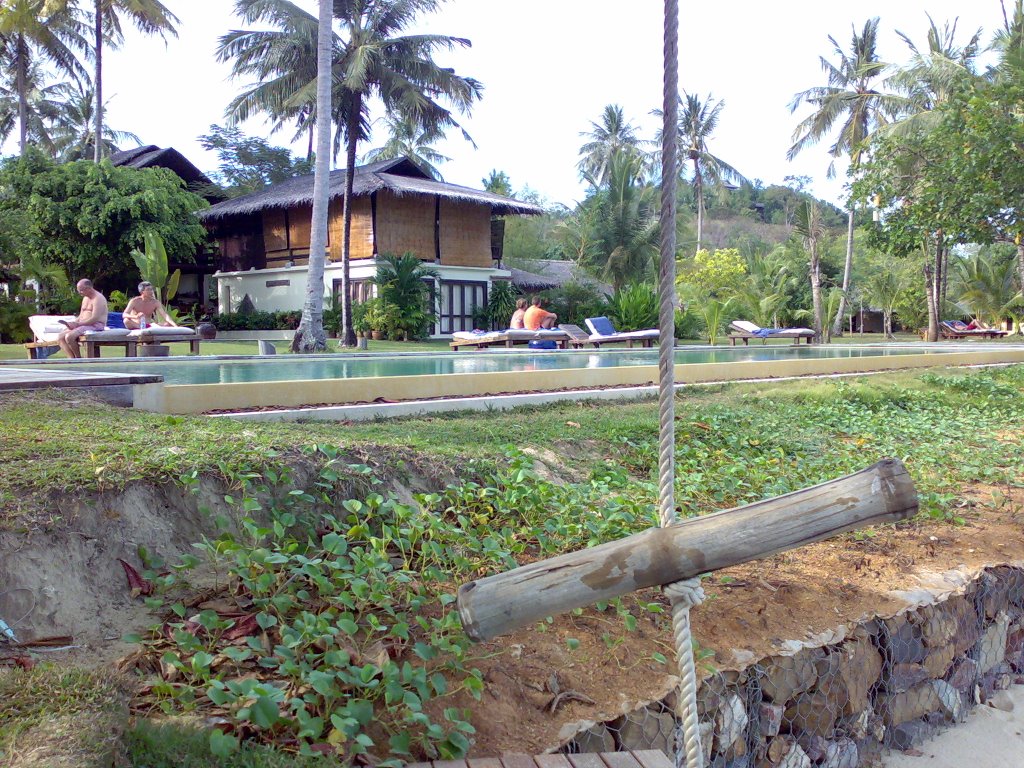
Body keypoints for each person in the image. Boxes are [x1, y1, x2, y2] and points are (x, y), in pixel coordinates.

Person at [57, 279, 109, 359]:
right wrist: (73, 323)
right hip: (83, 324)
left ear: (89, 288)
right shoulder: (85, 298)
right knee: (60, 337)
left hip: (95, 325)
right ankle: (71, 358)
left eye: (81, 290)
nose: (80, 293)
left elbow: (95, 318)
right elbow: (81, 315)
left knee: (69, 336)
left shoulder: (98, 299)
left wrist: (78, 324)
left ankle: (78, 359)